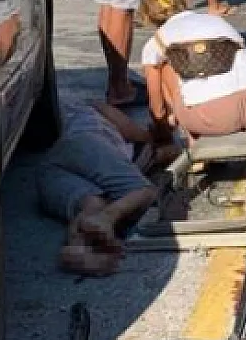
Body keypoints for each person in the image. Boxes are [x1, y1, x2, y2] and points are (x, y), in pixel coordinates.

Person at [36, 100, 159, 276]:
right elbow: (137, 133)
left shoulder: (127, 152)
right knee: (145, 192)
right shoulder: (92, 108)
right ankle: (107, 218)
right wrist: (152, 135)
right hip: (85, 140)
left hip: (49, 170)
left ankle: (77, 247)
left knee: (93, 204)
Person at [140, 0, 246, 141]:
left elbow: (157, 108)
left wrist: (161, 132)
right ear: (183, 1)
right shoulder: (216, 21)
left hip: (212, 118)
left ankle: (191, 140)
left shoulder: (157, 41)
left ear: (148, 15)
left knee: (163, 67)